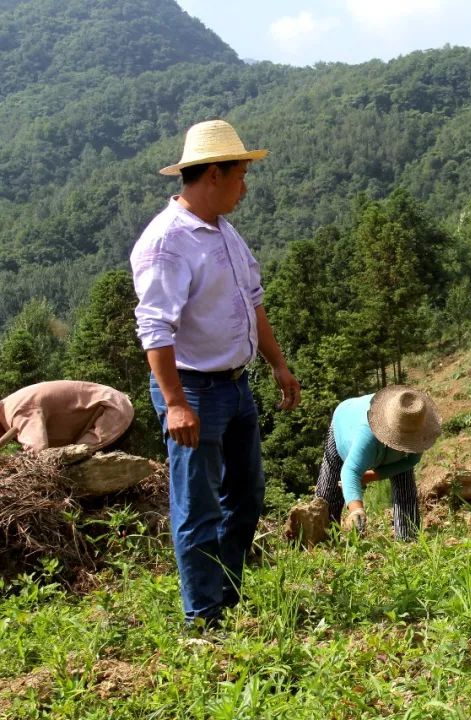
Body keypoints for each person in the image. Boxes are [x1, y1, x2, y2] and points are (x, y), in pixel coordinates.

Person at [130, 119, 302, 628]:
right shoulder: (167, 242)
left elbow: (253, 303)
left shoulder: (224, 232)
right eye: (240, 176)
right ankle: (202, 620)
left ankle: (225, 598)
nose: (245, 187)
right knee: (198, 507)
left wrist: (277, 363)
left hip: (235, 385)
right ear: (212, 176)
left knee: (245, 497)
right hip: (195, 390)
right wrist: (176, 403)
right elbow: (154, 327)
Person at [313, 386, 441, 541]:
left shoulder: (417, 428)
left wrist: (372, 476)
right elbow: (350, 471)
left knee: (405, 486)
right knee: (329, 493)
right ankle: (324, 541)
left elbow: (410, 462)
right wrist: (356, 510)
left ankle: (408, 540)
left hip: (385, 449)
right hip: (344, 422)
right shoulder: (367, 435)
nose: (407, 445)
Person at [0, 380, 134, 452]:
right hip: (111, 405)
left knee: (72, 461)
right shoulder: (10, 407)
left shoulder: (17, 411)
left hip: (111, 410)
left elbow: (37, 452)